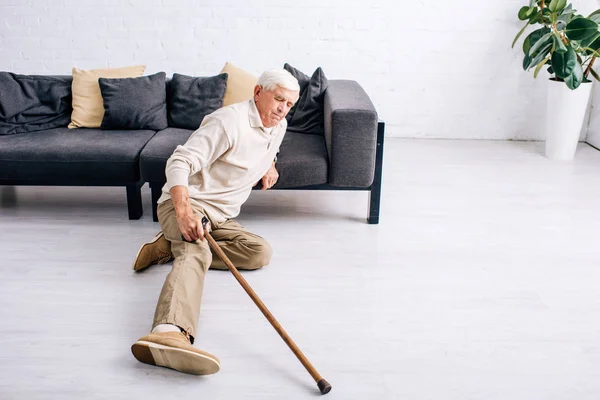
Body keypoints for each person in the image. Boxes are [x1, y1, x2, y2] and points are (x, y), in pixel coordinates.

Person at [130, 69, 300, 375]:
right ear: (258, 92)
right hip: (184, 203)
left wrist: (269, 164)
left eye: (289, 104)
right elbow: (179, 161)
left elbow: (265, 144)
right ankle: (169, 331)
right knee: (196, 251)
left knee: (259, 252)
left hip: (221, 216)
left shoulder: (279, 124)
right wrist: (183, 213)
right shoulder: (228, 122)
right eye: (278, 99)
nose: (283, 109)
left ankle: (167, 246)